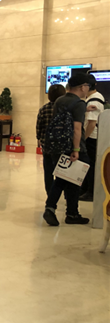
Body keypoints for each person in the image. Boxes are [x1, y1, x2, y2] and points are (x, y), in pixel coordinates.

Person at [43, 71, 91, 226]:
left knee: (62, 178)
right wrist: (76, 150)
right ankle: (70, 213)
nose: (88, 88)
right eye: (87, 86)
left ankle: (55, 209)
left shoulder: (59, 100)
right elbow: (77, 129)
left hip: (57, 146)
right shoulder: (79, 104)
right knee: (73, 181)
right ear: (82, 87)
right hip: (73, 148)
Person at [36, 83, 66, 196]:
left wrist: (39, 138)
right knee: (62, 172)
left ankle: (50, 194)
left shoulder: (43, 109)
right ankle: (62, 194)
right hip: (62, 145)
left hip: (47, 145)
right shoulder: (66, 109)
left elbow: (39, 126)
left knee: (48, 172)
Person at [80, 73, 105, 202]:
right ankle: (86, 189)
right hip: (94, 137)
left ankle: (90, 192)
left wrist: (83, 138)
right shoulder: (97, 97)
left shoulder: (94, 100)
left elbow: (91, 123)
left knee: (89, 165)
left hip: (92, 137)